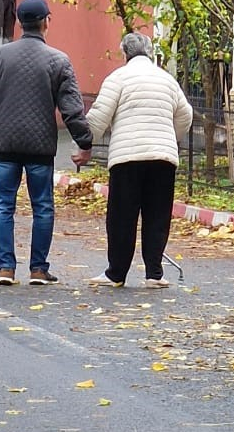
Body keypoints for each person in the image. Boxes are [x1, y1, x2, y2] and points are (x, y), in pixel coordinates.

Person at [0, 0, 93, 286]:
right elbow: (71, 109)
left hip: (6, 147)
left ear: (19, 23)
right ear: (46, 22)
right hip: (40, 148)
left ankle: (5, 269)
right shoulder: (58, 60)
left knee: (3, 205)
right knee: (42, 206)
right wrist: (84, 141)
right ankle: (38, 269)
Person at [74, 33, 193, 289]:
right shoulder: (167, 80)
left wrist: (85, 144)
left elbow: (98, 118)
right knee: (157, 215)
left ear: (124, 53)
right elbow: (185, 114)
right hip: (163, 158)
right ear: (150, 53)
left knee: (122, 216)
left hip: (127, 158)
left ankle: (116, 273)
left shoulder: (118, 78)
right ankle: (154, 274)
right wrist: (172, 138)